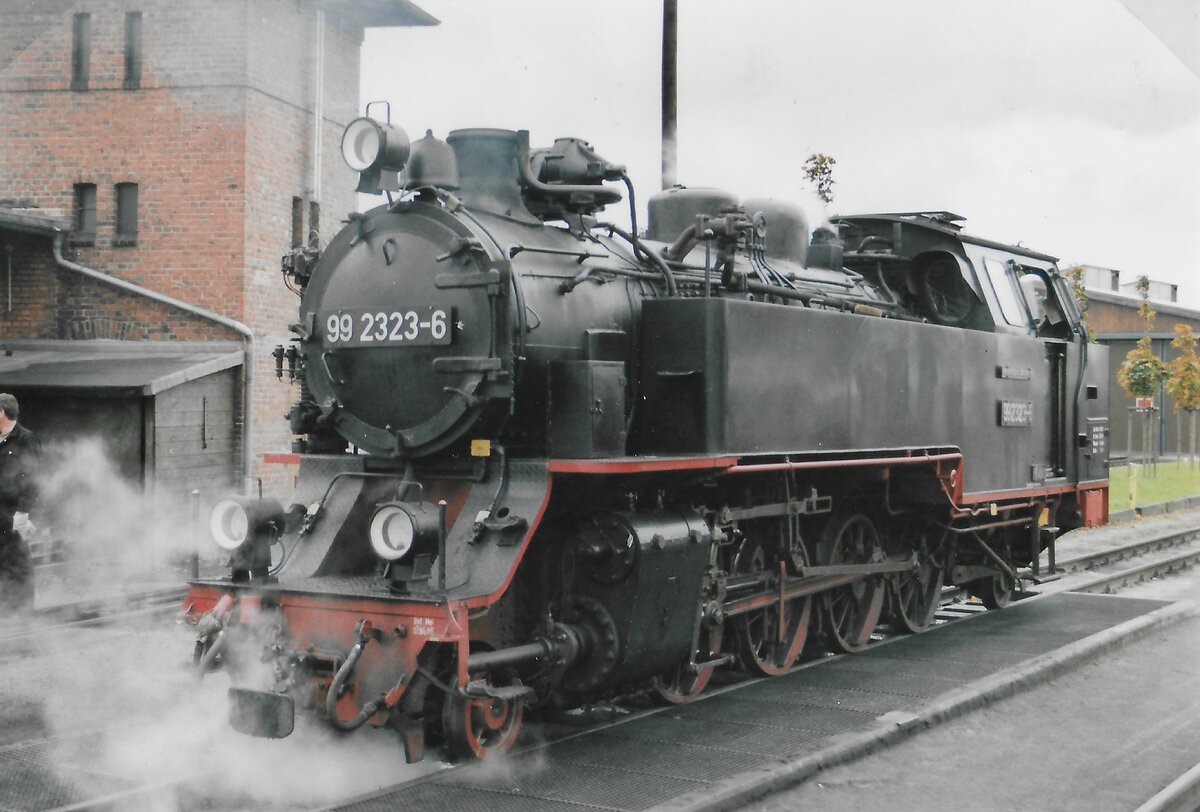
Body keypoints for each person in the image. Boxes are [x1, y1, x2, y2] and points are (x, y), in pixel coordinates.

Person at [0, 393, 39, 613]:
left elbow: (31, 477)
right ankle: (6, 608)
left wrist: (23, 513)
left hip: (14, 511)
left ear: (1, 413)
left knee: (18, 560)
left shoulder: (26, 439)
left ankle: (24, 611)